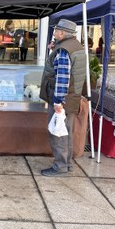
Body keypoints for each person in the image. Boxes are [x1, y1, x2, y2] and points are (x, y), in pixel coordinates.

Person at [39, 19, 86, 177]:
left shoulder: (64, 51)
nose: (54, 33)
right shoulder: (75, 46)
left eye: (57, 31)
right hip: (73, 97)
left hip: (62, 99)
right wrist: (54, 47)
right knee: (66, 132)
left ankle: (60, 166)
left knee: (57, 132)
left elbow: (62, 77)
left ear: (63, 33)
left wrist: (58, 101)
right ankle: (67, 164)